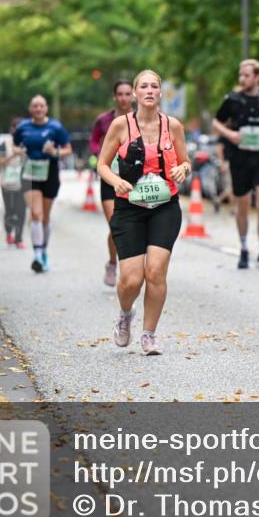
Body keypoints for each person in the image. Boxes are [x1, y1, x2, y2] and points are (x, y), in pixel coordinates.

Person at [98, 69, 191, 356]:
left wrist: (182, 170)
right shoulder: (120, 125)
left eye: (154, 86)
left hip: (165, 206)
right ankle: (126, 314)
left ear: (161, 93)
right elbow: (102, 164)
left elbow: (186, 162)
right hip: (129, 208)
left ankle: (149, 335)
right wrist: (116, 181)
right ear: (136, 93)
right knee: (131, 279)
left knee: (155, 272)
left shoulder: (173, 126)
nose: (149, 91)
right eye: (144, 87)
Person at [212, 59, 259, 269]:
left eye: (246, 75)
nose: (242, 79)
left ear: (256, 77)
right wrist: (230, 134)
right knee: (242, 204)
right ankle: (244, 248)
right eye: (240, 75)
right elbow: (216, 122)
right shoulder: (233, 100)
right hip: (239, 159)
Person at [13, 95, 72, 272]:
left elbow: (68, 149)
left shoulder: (56, 127)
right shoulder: (23, 127)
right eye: (34, 106)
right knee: (36, 214)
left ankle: (43, 250)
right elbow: (14, 146)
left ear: (46, 108)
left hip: (50, 173)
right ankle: (37, 255)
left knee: (45, 217)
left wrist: (55, 151)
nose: (38, 109)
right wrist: (20, 151)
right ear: (30, 109)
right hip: (30, 173)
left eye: (41, 106)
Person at [90, 80, 134, 286]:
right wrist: (99, 154)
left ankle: (129, 266)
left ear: (133, 96)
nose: (124, 98)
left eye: (127, 94)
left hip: (134, 179)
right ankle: (113, 264)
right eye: (120, 94)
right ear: (114, 97)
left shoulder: (140, 119)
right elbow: (93, 140)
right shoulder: (104, 120)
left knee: (131, 225)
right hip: (110, 178)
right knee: (116, 224)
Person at [0, 118, 27, 248]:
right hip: (8, 182)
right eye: (16, 128)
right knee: (10, 210)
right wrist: (13, 155)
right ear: (12, 129)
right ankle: (8, 232)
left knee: (21, 210)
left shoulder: (28, 143)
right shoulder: (5, 143)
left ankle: (19, 238)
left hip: (23, 182)